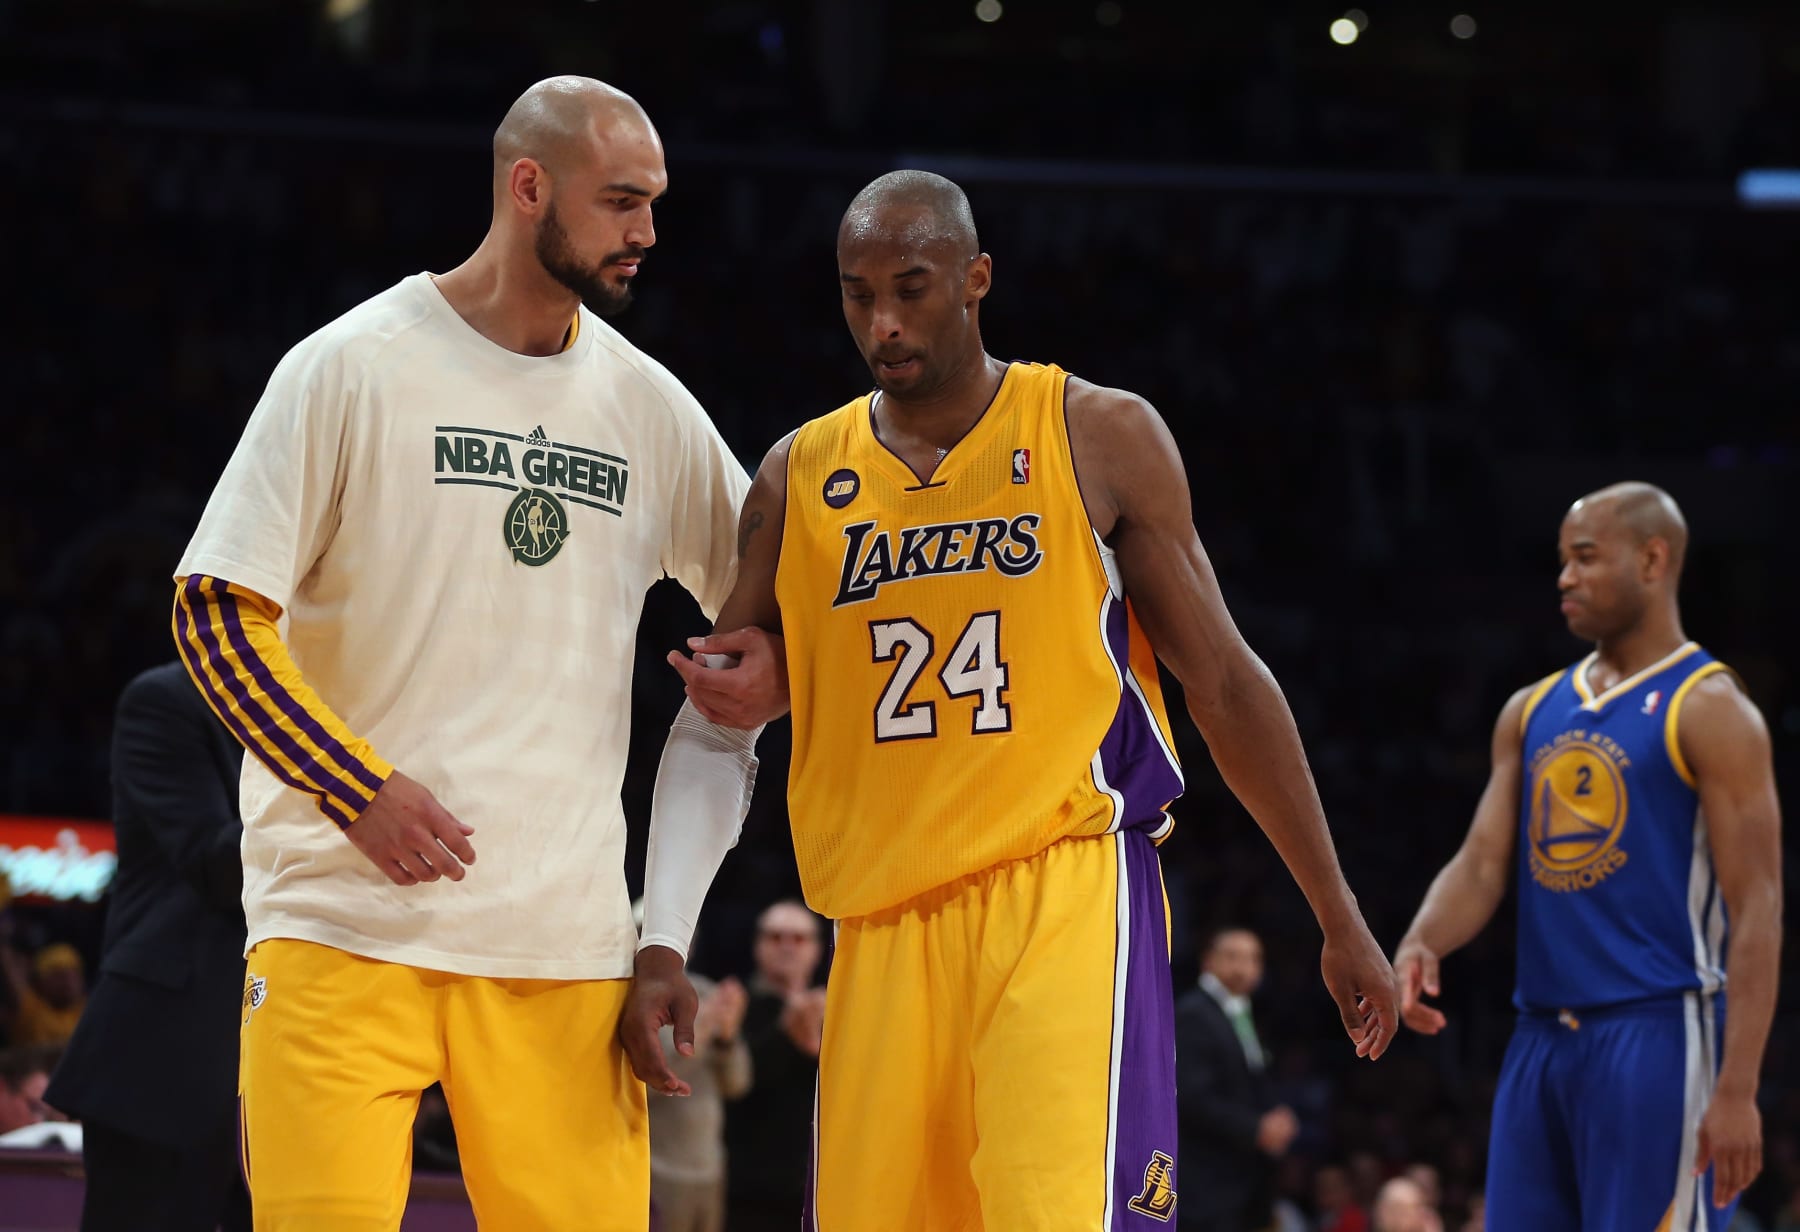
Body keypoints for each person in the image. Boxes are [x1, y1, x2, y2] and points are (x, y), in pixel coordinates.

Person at [622, 170, 1398, 1231]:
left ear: (976, 278)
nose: (884, 321)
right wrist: (667, 925)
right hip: (882, 918)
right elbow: (723, 712)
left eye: (913, 286)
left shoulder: (1096, 433)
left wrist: (1337, 910)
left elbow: (1221, 681)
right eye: (858, 294)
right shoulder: (798, 475)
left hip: (1061, 890)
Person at [170, 76, 785, 1231]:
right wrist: (356, 787)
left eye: (654, 203)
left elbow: (767, 629)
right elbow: (213, 610)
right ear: (528, 186)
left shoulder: (649, 407)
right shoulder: (349, 365)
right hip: (341, 926)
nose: (647, 231)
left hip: (563, 947)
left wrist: (775, 679)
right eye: (621, 201)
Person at [1393, 483, 1782, 1231]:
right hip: (1539, 1037)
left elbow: (1758, 905)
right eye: (1561, 561)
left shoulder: (1710, 707)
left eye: (1585, 558)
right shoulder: (1532, 709)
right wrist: (1422, 939)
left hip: (1661, 1033)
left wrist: (1737, 1087)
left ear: (1652, 559)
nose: (1564, 578)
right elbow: (1480, 864)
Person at [45, 662, 252, 1232]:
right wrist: (338, 791)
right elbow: (216, 864)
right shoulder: (168, 700)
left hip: (286, 1057)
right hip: (164, 1055)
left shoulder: (345, 706)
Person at [1175, 928, 1297, 1232]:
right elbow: (1191, 1097)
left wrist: (1276, 1115)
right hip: (1205, 1181)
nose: (1244, 968)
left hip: (1240, 1179)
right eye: (1233, 957)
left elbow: (1252, 1078)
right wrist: (1256, 1128)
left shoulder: (1239, 1011)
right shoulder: (1194, 1013)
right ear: (1208, 961)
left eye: (1254, 959)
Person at [725, 901, 828, 1232]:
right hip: (745, 1189)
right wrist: (788, 1030)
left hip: (818, 1186)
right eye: (775, 937)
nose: (787, 946)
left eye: (799, 938)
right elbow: (736, 1083)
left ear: (816, 949)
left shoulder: (838, 1011)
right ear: (757, 945)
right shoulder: (732, 1006)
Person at [1, 943, 86, 1046]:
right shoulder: (31, 1011)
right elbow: (11, 976)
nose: (68, 981)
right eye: (58, 975)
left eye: (73, 974)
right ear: (40, 982)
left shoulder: (88, 1010)